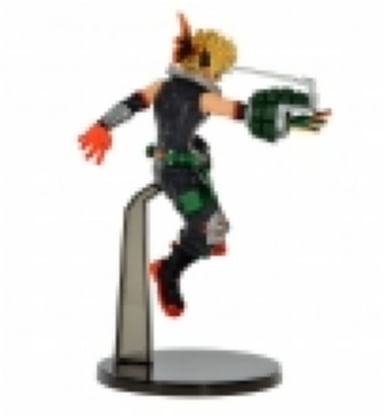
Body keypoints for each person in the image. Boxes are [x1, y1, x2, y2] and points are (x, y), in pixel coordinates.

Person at [78, 13, 329, 318]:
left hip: (179, 165)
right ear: (208, 62)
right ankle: (168, 270)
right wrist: (291, 120)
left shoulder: (161, 85)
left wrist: (103, 124)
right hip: (177, 175)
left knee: (215, 227)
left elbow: (130, 104)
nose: (219, 77)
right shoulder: (203, 98)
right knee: (211, 229)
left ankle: (202, 240)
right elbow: (244, 112)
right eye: (219, 70)